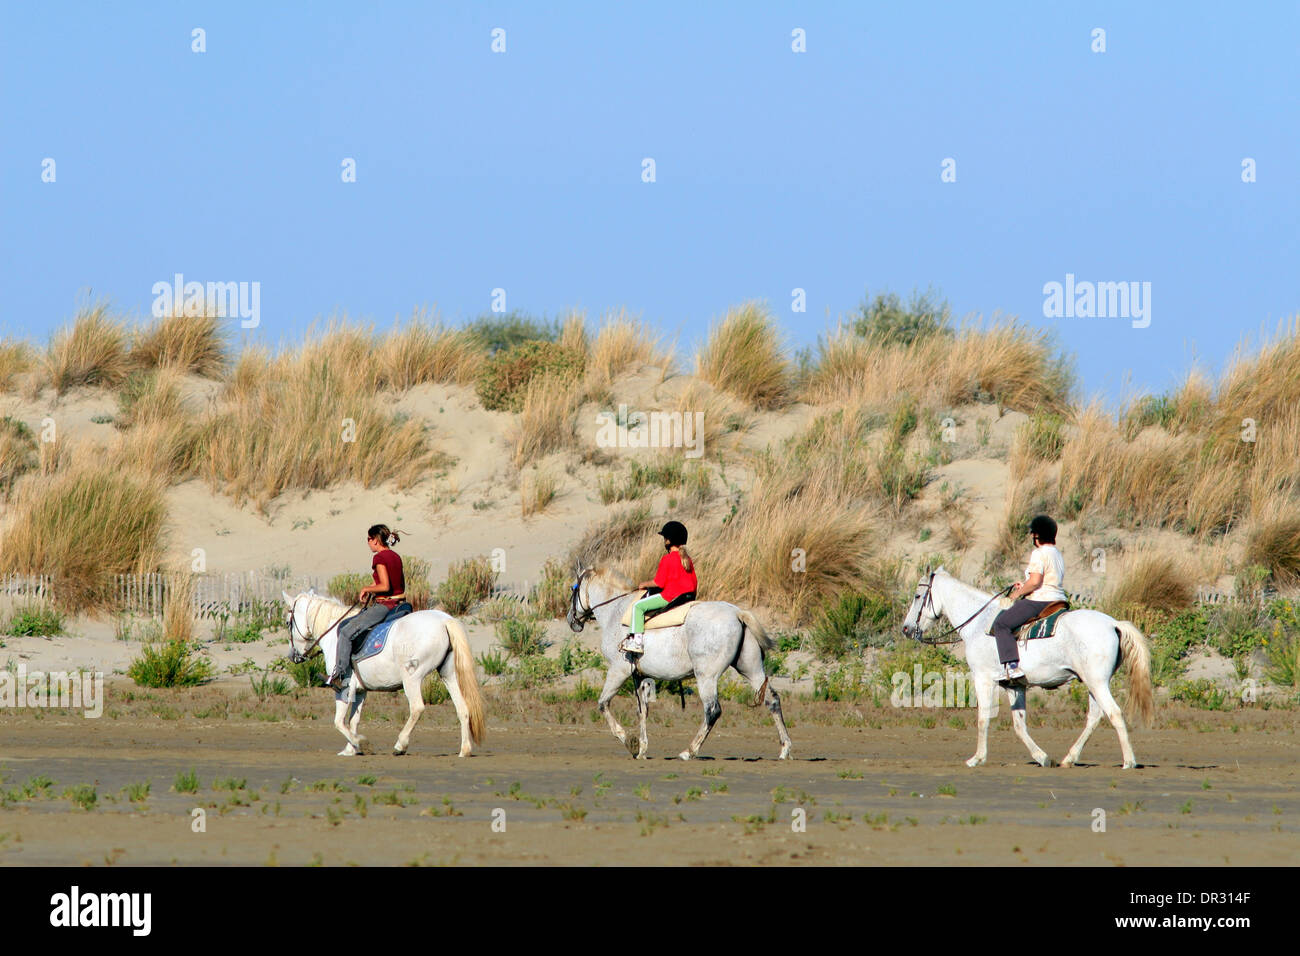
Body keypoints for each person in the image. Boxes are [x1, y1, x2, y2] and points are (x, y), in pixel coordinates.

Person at [328, 524, 407, 689]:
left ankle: (340, 677)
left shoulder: (379, 558)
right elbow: (386, 582)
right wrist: (372, 589)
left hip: (386, 605)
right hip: (400, 603)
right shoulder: (395, 556)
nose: (368, 542)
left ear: (376, 540)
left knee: (345, 632)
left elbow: (385, 586)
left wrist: (366, 589)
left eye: (369, 539)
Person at [991, 514, 1067, 684]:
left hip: (1040, 601)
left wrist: (1015, 595)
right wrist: (1023, 585)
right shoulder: (1057, 553)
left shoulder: (1039, 553)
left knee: (1001, 624)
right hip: (1059, 600)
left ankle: (1012, 667)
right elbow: (1044, 579)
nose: (1032, 536)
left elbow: (1035, 582)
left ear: (1037, 535)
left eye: (1033, 533)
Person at [621, 521, 698, 655]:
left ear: (668, 541)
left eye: (665, 538)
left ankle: (637, 642)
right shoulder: (687, 559)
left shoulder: (667, 559)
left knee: (638, 607)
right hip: (688, 596)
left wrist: (644, 584)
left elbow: (659, 583)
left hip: (671, 596)